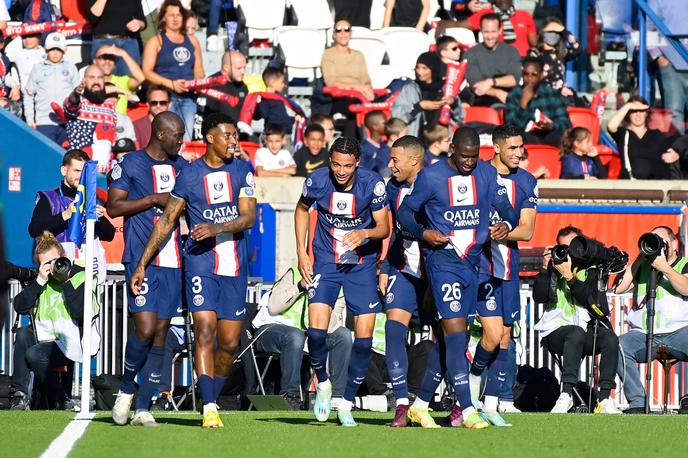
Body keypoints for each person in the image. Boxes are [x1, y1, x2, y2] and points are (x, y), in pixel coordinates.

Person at [130, 112, 256, 428]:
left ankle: (211, 391)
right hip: (201, 265)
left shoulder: (243, 170)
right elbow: (166, 220)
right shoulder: (188, 175)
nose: (233, 141)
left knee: (229, 343)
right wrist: (142, 264)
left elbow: (248, 217)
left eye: (235, 135)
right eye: (227, 135)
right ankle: (209, 406)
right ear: (209, 138)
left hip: (235, 266)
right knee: (204, 330)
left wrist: (215, 227)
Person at [396, 126, 518, 429]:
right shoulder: (432, 176)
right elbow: (404, 214)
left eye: (474, 156)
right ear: (452, 148)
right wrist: (424, 232)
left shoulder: (487, 175)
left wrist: (505, 224)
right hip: (442, 263)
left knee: (453, 338)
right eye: (464, 156)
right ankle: (466, 409)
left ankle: (421, 405)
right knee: (455, 333)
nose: (469, 162)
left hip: (475, 265)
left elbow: (508, 210)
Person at [294, 136, 390, 426]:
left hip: (361, 265)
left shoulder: (372, 185)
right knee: (316, 333)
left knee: (363, 340)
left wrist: (365, 233)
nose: (341, 171)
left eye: (347, 165)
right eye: (336, 164)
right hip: (326, 260)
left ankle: (346, 401)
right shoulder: (317, 181)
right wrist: (301, 251)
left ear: (357, 163)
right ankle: (323, 384)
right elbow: (301, 210)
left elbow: (384, 226)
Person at [107, 112, 188, 427]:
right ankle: (127, 387)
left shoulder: (181, 167)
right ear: (160, 133)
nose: (180, 141)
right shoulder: (130, 165)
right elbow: (114, 207)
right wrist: (153, 199)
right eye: (177, 135)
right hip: (139, 259)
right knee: (143, 327)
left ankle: (143, 407)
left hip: (172, 261)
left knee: (160, 334)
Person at [468, 124, 538, 426]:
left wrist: (506, 230)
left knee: (505, 334)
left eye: (520, 147)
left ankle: (497, 400)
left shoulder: (527, 181)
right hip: (473, 268)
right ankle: (465, 394)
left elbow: (528, 229)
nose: (518, 153)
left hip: (506, 267)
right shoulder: (476, 174)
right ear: (496, 148)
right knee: (466, 331)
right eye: (512, 148)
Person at [533, 226, 622, 414]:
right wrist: (544, 269)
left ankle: (605, 399)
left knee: (609, 338)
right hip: (555, 330)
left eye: (573, 246)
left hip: (584, 329)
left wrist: (570, 277)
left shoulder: (591, 270)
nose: (568, 252)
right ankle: (565, 395)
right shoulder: (552, 267)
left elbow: (592, 303)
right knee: (575, 333)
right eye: (563, 247)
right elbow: (539, 297)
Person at [10, 231, 100, 410]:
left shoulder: (82, 276)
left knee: (35, 353)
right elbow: (19, 306)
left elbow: (81, 312)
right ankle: (19, 395)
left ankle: (61, 399)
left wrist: (65, 281)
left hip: (73, 339)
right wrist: (39, 281)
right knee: (22, 335)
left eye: (55, 261)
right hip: (45, 336)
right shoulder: (41, 279)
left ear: (63, 257)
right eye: (47, 264)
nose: (53, 267)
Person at [377, 135, 427, 427]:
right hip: (403, 270)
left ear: (413, 160)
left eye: (395, 159)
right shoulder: (391, 187)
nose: (390, 164)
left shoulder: (435, 183)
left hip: (435, 273)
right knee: (394, 331)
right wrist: (385, 266)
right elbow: (396, 230)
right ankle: (401, 403)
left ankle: (453, 403)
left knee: (447, 339)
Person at [251, 269, 353, 409]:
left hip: (308, 335)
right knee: (295, 336)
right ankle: (291, 395)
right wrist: (299, 286)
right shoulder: (294, 273)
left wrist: (322, 299)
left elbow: (332, 328)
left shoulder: (337, 287)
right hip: (271, 328)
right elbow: (274, 307)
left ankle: (336, 397)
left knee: (343, 335)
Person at [613, 226, 688, 414]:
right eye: (653, 240)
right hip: (644, 333)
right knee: (617, 346)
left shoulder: (684, 263)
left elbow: (686, 289)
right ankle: (638, 403)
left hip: (680, 331)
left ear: (673, 243)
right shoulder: (642, 266)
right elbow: (618, 288)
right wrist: (640, 258)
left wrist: (665, 268)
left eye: (662, 241)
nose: (658, 246)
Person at [28, 149, 115, 282]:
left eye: (83, 172)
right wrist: (65, 215)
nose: (80, 176)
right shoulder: (48, 198)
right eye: (76, 171)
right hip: (60, 275)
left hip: (92, 273)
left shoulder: (93, 199)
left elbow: (109, 235)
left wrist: (101, 219)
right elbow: (34, 230)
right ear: (64, 170)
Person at [142, 0, 204, 141]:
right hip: (166, 98)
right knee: (166, 139)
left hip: (189, 98)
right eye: (171, 15)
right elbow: (147, 71)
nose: (175, 19)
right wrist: (171, 84)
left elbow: (199, 71)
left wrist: (196, 84)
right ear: (164, 17)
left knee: (186, 138)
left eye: (178, 15)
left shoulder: (193, 40)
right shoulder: (156, 41)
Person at [319, 19, 373, 137]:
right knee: (355, 109)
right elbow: (330, 81)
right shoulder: (329, 54)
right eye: (339, 30)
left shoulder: (358, 55)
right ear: (334, 34)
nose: (343, 33)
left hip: (359, 95)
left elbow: (365, 79)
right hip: (339, 98)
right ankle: (352, 147)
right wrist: (356, 88)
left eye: (346, 29)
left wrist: (368, 90)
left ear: (351, 33)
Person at [23, 32, 79, 145]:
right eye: (52, 49)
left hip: (67, 122)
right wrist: (30, 118)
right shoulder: (38, 68)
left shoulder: (71, 67)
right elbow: (29, 94)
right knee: (44, 157)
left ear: (64, 51)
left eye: (59, 50)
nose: (55, 53)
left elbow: (78, 95)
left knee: (66, 158)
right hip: (44, 122)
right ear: (46, 49)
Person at [392, 52, 463, 137]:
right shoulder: (409, 89)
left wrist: (453, 104)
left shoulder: (446, 88)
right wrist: (418, 107)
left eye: (424, 68)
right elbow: (397, 118)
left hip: (439, 142)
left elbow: (460, 118)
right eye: (417, 67)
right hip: (416, 142)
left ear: (434, 69)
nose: (419, 72)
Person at [505, 56, 571, 146]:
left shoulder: (552, 94)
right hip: (527, 138)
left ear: (541, 75)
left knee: (562, 138)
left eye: (534, 74)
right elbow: (511, 128)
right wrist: (523, 105)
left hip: (550, 135)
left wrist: (551, 125)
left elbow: (566, 124)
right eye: (526, 74)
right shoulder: (514, 95)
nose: (529, 78)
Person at [607, 96, 677, 179]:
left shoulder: (656, 135)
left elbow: (669, 153)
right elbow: (611, 126)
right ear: (628, 113)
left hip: (655, 186)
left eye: (641, 110)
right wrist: (628, 106)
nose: (638, 114)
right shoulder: (623, 134)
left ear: (646, 113)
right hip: (630, 186)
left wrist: (675, 155)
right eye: (633, 111)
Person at [462, 13, 521, 106]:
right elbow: (476, 86)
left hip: (510, 94)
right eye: (486, 32)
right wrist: (497, 93)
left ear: (500, 31)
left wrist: (490, 82)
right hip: (484, 98)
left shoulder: (511, 51)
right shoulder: (471, 53)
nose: (489, 37)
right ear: (480, 30)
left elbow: (514, 79)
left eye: (493, 32)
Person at [648, 0, 688, 135]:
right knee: (674, 115)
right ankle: (676, 154)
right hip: (671, 64)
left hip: (672, 62)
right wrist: (658, 55)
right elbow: (648, 25)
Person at [63, 65, 118, 152]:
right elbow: (72, 104)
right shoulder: (79, 102)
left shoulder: (110, 108)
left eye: (99, 77)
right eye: (91, 77)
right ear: (84, 80)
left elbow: (113, 139)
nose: (96, 81)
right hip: (80, 162)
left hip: (104, 163)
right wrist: (76, 93)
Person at [87, 0, 147, 76]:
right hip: (104, 42)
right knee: (104, 80)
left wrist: (139, 24)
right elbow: (92, 17)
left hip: (129, 43)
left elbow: (142, 19)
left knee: (131, 80)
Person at [526, 17, 581, 99]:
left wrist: (564, 32)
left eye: (557, 33)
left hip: (561, 98)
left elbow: (577, 49)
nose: (554, 35)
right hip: (544, 98)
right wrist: (560, 90)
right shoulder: (535, 53)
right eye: (550, 32)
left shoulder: (560, 53)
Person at [465, 0, 537, 56]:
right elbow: (460, 25)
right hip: (496, 60)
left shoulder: (524, 15)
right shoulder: (486, 14)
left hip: (522, 59)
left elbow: (534, 43)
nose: (503, 0)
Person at [93, 44, 146, 114]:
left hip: (119, 123)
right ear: (95, 61)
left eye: (111, 58)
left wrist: (123, 54)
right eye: (103, 57)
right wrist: (117, 89)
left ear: (115, 64)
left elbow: (140, 78)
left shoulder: (122, 81)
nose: (107, 61)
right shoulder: (90, 81)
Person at [205, 50, 249, 130]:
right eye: (239, 68)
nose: (243, 71)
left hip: (236, 132)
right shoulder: (212, 84)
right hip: (217, 132)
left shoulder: (242, 86)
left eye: (244, 68)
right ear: (226, 68)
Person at [256, 67, 297, 136]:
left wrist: (293, 119)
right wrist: (259, 103)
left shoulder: (278, 97)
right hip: (273, 135)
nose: (284, 85)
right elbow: (264, 114)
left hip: (285, 133)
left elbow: (281, 116)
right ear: (272, 83)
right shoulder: (265, 98)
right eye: (282, 82)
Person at [360, 110, 390, 177]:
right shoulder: (363, 149)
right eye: (385, 123)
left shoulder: (385, 146)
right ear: (375, 127)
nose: (388, 126)